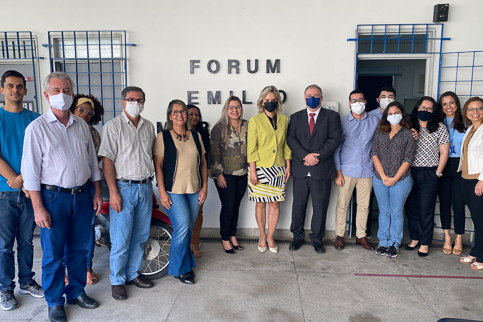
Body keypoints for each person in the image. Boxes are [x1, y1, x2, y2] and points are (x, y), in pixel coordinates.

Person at [21, 72, 102, 322]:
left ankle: (76, 292)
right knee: (54, 253)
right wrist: (38, 207)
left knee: (79, 250)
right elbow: (30, 172)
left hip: (83, 196)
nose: (62, 95)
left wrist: (97, 192)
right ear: (47, 95)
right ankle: (55, 301)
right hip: (53, 199)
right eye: (56, 90)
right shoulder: (36, 129)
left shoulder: (81, 126)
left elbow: (92, 162)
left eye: (67, 90)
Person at [98, 86, 156, 300]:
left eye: (139, 100)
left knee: (140, 236)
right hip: (123, 188)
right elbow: (107, 161)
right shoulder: (113, 127)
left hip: (145, 186)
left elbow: (150, 156)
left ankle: (132, 273)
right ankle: (117, 279)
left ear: (144, 102)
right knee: (121, 238)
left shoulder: (149, 126)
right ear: (123, 102)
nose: (135, 103)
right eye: (131, 99)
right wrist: (113, 191)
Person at [0, 70, 43, 311]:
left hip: (30, 192)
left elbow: (40, 156)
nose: (15, 90)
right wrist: (16, 179)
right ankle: (5, 287)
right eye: (10, 86)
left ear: (26, 91)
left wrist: (24, 179)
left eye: (19, 86)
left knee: (26, 241)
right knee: (4, 244)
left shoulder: (35, 119)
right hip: (4, 192)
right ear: (2, 90)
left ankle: (27, 281)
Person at [154, 99, 208, 284]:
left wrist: (205, 187)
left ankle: (185, 263)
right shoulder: (163, 137)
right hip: (173, 191)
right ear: (170, 115)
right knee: (182, 228)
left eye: (183, 111)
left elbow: (203, 163)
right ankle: (179, 269)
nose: (180, 115)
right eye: (175, 112)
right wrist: (162, 191)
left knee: (188, 228)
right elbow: (158, 166)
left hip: (193, 190)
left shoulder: (195, 136)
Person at [287, 84, 341, 254]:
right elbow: (291, 140)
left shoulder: (332, 116)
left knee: (320, 207)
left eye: (316, 95)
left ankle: (317, 239)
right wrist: (305, 156)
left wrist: (317, 157)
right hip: (301, 170)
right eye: (309, 95)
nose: (312, 97)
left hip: (322, 170)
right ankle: (297, 237)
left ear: (322, 98)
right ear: (304, 98)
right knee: (298, 206)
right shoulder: (295, 117)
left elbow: (334, 139)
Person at [247, 85, 291, 254]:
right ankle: (262, 236)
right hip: (259, 168)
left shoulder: (284, 120)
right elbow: (252, 148)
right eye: (267, 101)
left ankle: (271, 236)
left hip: (279, 168)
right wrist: (252, 171)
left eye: (273, 100)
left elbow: (287, 145)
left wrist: (288, 165)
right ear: (262, 102)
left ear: (278, 102)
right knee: (261, 203)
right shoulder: (255, 121)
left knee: (274, 203)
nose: (271, 103)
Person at [333, 89, 378, 250]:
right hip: (347, 170)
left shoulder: (375, 121)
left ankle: (361, 236)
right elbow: (336, 148)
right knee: (342, 204)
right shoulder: (342, 122)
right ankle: (339, 235)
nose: (357, 103)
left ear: (365, 102)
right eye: (354, 100)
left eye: (360, 100)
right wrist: (338, 173)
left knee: (364, 206)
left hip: (367, 170)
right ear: (349, 103)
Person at [405, 96, 450, 256]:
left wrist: (438, 171)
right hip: (409, 172)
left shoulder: (439, 127)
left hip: (429, 172)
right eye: (422, 107)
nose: (425, 111)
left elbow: (444, 151)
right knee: (411, 207)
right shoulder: (408, 125)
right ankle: (415, 238)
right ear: (417, 108)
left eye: (429, 108)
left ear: (434, 111)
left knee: (426, 209)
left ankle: (424, 242)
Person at [371, 101, 416, 257]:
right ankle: (383, 241)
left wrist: (395, 178)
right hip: (380, 178)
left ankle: (394, 243)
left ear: (402, 114)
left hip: (401, 179)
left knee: (396, 212)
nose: (393, 116)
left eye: (396, 113)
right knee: (384, 211)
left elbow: (408, 159)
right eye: (390, 114)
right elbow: (374, 155)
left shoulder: (409, 134)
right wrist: (384, 176)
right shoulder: (379, 133)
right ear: (385, 116)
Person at [68, 94, 104, 284]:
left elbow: (95, 164)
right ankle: (66, 269)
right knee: (64, 229)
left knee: (88, 227)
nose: (85, 114)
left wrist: (96, 190)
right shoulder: (60, 128)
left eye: (89, 112)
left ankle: (87, 266)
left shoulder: (94, 134)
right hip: (62, 188)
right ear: (72, 108)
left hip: (87, 186)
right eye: (81, 109)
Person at [210, 96, 248, 254]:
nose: (235, 110)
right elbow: (214, 154)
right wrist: (219, 175)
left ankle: (233, 235)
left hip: (243, 173)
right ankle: (225, 237)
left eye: (237, 107)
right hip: (225, 174)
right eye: (231, 107)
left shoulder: (248, 125)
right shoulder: (219, 128)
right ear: (226, 109)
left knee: (236, 205)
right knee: (228, 205)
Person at [437, 91, 467, 255]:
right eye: (445, 104)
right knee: (444, 204)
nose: (448, 107)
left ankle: (459, 239)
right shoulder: (437, 123)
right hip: (442, 164)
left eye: (451, 103)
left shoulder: (466, 123)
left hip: (459, 166)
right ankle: (447, 237)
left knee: (459, 205)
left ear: (457, 104)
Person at [458, 97, 483, 271]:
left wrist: (482, 180)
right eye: (471, 109)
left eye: (479, 108)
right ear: (466, 112)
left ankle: (481, 256)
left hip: (478, 179)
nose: (475, 112)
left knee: (480, 219)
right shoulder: (470, 129)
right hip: (466, 178)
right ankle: (476, 250)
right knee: (475, 218)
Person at [187, 104, 210, 258]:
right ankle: (184, 243)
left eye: (196, 114)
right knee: (183, 215)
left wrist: (205, 183)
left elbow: (205, 160)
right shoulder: (176, 134)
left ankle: (194, 243)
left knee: (197, 213)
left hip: (198, 180)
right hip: (180, 181)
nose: (194, 117)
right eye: (191, 114)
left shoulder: (202, 134)